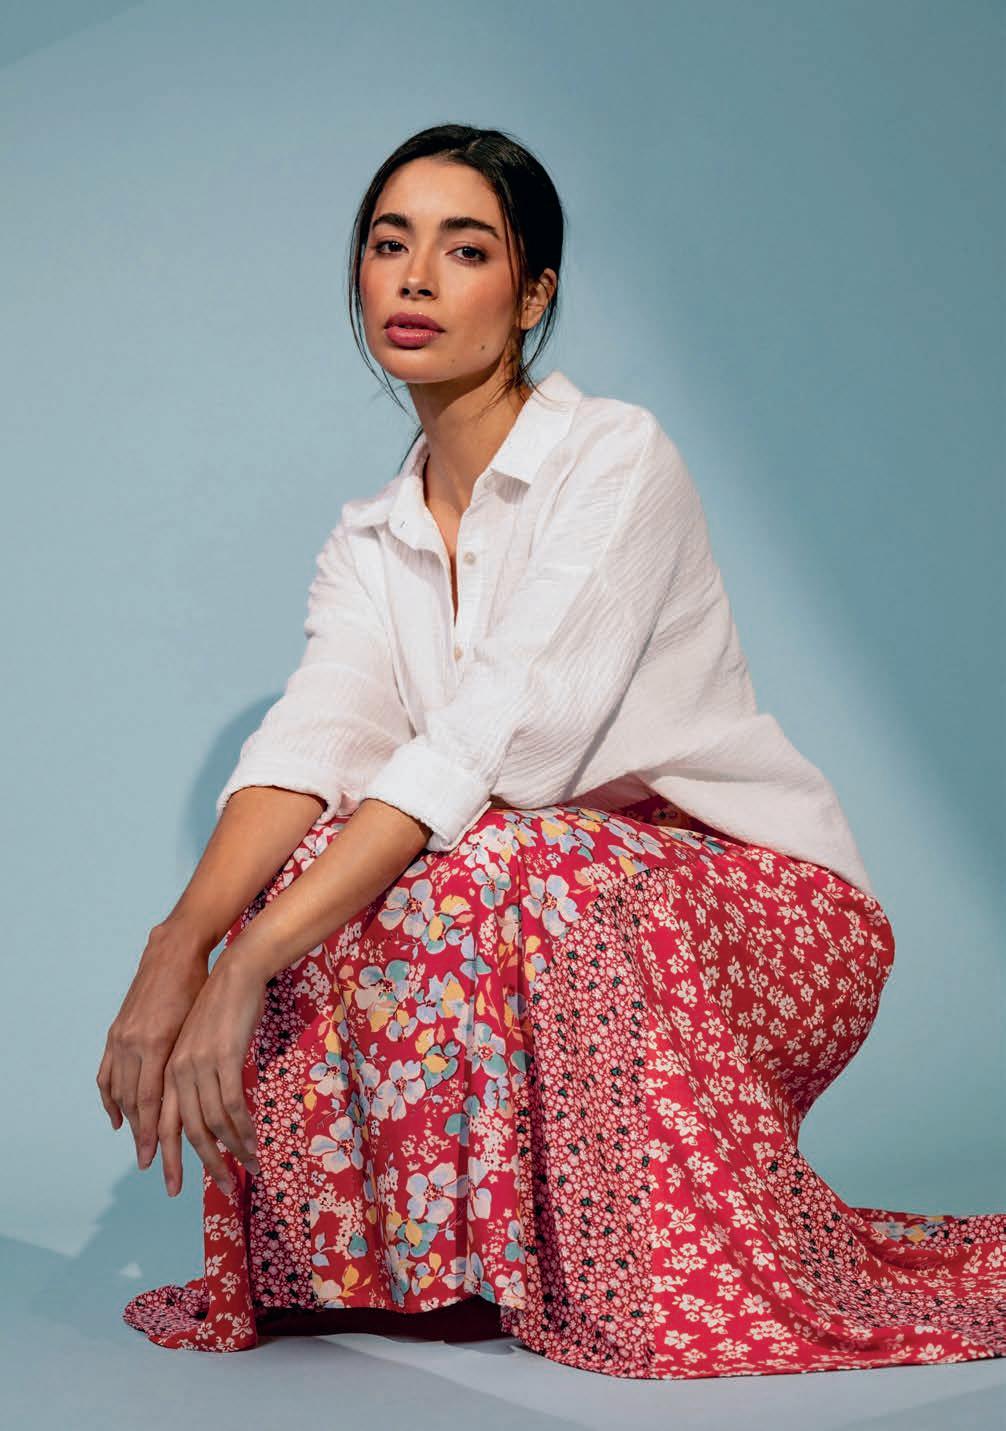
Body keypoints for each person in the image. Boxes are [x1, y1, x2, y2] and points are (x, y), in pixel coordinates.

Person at [103, 123, 1006, 1377]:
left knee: (509, 858)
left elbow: (500, 741)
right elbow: (312, 741)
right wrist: (182, 942)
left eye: (465, 250)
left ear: (531, 297)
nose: (417, 278)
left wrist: (248, 964)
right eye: (389, 244)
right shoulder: (370, 539)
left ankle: (650, 1271)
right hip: (575, 900)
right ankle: (384, 1266)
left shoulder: (616, 458)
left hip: (771, 916)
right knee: (315, 862)